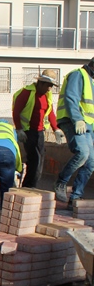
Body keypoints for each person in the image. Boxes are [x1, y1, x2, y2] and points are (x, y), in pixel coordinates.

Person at [12, 69, 65, 188]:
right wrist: (19, 129)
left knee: (39, 161)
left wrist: (56, 129)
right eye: (48, 85)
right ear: (41, 83)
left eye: (51, 86)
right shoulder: (26, 93)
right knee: (35, 160)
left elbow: (50, 113)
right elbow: (16, 112)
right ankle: (28, 187)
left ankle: (31, 186)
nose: (49, 89)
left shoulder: (47, 95)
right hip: (27, 132)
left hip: (39, 132)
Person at [54, 58, 94, 207]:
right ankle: (61, 182)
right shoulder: (78, 74)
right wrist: (77, 118)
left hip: (88, 125)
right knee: (82, 153)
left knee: (91, 163)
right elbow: (71, 97)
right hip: (73, 121)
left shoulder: (92, 80)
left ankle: (75, 198)